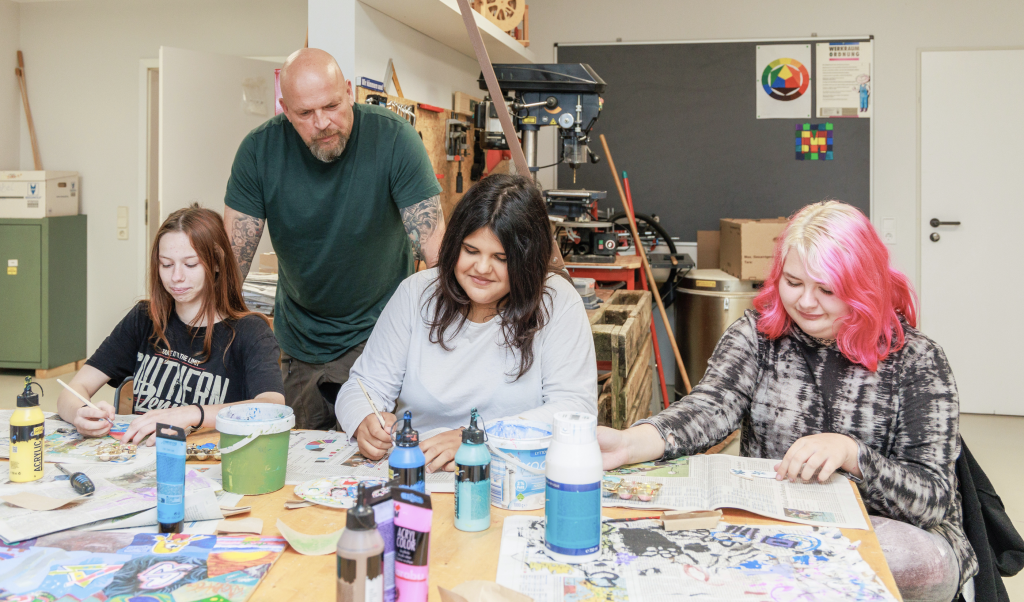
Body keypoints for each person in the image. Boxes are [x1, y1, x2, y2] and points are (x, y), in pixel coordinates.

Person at [597, 201, 977, 602]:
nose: (806, 302)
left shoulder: (917, 360)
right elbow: (707, 409)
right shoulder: (759, 335)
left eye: (827, 289)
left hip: (889, 534)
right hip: (778, 526)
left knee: (911, 563)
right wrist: (630, 442)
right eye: (793, 283)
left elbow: (932, 499)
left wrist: (852, 454)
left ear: (863, 287)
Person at [223, 48, 445, 430]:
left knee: (373, 458)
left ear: (348, 91)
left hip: (379, 339)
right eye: (305, 114)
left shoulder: (394, 140)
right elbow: (229, 266)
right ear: (284, 108)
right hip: (299, 342)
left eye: (332, 105)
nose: (322, 122)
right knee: (301, 465)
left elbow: (437, 253)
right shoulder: (259, 152)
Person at [334, 174, 597, 472]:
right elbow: (363, 386)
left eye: (501, 258)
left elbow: (575, 410)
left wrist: (477, 438)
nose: (482, 268)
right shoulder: (416, 292)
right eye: (471, 251)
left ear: (527, 260)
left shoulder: (557, 302)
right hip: (421, 471)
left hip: (512, 475)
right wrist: (364, 420)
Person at [57, 205, 285, 445]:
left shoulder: (249, 332)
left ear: (217, 262)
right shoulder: (144, 318)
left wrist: (190, 413)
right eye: (166, 264)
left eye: (190, 264)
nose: (176, 277)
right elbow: (73, 390)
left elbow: (272, 406)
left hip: (207, 464)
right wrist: (80, 413)